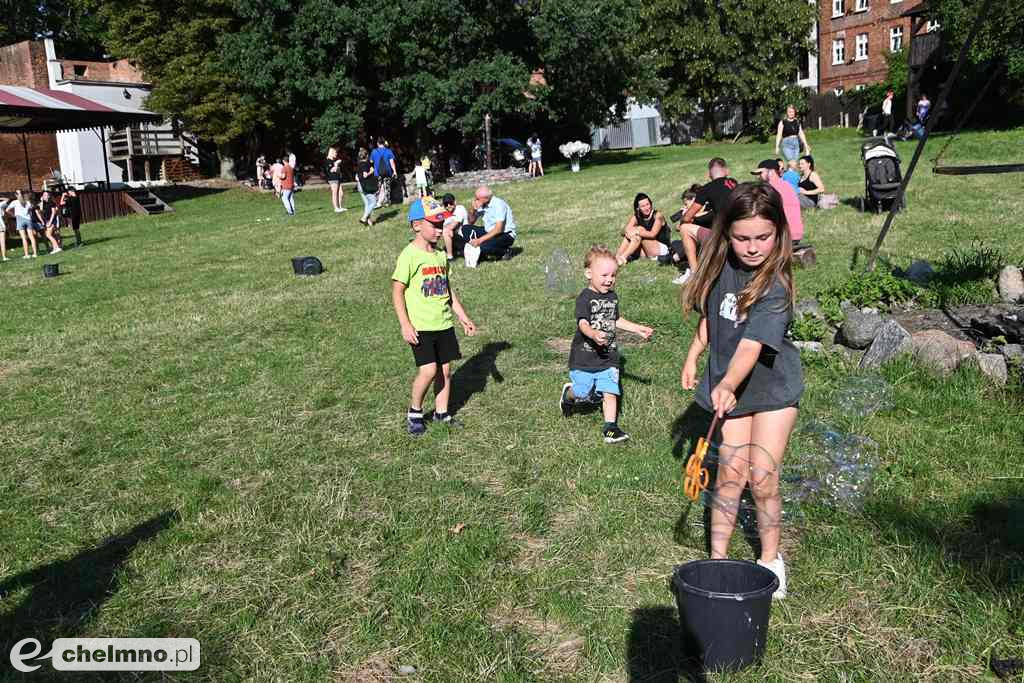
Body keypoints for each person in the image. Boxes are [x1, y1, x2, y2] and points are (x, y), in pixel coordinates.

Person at [680, 182, 803, 599]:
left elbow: (751, 345)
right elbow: (712, 319)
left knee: (763, 477)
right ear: (726, 233)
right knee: (730, 475)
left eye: (763, 237)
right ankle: (717, 563)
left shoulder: (775, 285)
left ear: (779, 233)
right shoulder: (717, 263)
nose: (752, 247)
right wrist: (695, 355)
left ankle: (770, 559)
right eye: (742, 237)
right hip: (727, 388)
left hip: (771, 390)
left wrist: (728, 382)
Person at [391, 196, 477, 436]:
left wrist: (462, 316)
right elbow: (397, 292)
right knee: (428, 371)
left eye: (442, 225)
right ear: (416, 225)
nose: (440, 230)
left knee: (445, 371)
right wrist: (405, 324)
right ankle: (415, 413)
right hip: (421, 326)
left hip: (443, 323)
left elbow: (447, 289)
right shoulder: (409, 256)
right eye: (435, 225)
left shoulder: (440, 256)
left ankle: (442, 413)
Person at [559, 245, 654, 444]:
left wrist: (637, 328)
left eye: (613, 275)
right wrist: (593, 334)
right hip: (584, 357)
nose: (609, 279)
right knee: (583, 392)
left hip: (608, 357)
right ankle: (569, 394)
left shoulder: (612, 297)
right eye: (604, 275)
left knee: (610, 390)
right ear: (588, 273)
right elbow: (582, 323)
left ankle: (610, 427)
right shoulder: (584, 298)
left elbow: (615, 320)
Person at [674, 158, 738, 284]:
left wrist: (682, 221)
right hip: (741, 233)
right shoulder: (736, 185)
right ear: (727, 171)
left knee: (685, 228)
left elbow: (688, 216)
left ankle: (694, 273)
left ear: (709, 174)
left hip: (724, 239)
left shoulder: (707, 189)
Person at [457, 185, 517, 267]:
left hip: (505, 234)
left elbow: (499, 229)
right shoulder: (483, 204)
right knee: (465, 228)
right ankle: (474, 248)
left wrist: (480, 240)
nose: (475, 200)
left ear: (485, 198)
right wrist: (473, 210)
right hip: (488, 231)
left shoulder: (499, 204)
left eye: (477, 198)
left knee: (483, 246)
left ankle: (505, 251)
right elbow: (471, 221)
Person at [750, 160, 804, 244]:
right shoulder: (786, 185)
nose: (758, 177)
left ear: (771, 172)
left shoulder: (769, 188)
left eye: (761, 173)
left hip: (783, 236)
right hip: (796, 234)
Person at [615, 192, 670, 265]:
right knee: (632, 232)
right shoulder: (637, 216)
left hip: (661, 249)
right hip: (647, 249)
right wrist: (629, 232)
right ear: (638, 208)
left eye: (648, 204)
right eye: (643, 206)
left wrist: (637, 231)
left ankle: (623, 257)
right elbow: (625, 231)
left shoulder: (657, 216)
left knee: (639, 229)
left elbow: (652, 234)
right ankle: (617, 257)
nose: (647, 208)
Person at [441, 193, 470, 261]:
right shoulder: (444, 212)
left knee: (446, 231)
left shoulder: (460, 209)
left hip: (465, 239)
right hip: (455, 238)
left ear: (455, 202)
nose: (448, 206)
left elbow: (453, 225)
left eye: (450, 203)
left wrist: (445, 228)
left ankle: (450, 257)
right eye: (446, 204)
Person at [11, 190, 38, 258]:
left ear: (16, 195)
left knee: (24, 238)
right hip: (28, 219)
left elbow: (7, 210)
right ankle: (35, 253)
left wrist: (13, 215)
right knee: (31, 237)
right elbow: (31, 209)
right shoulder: (27, 201)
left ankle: (27, 254)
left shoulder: (15, 202)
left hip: (20, 219)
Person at [355, 148, 378, 226]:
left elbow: (356, 177)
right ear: (367, 156)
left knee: (367, 204)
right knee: (374, 202)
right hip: (365, 186)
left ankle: (369, 221)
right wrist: (371, 171)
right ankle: (364, 218)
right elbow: (365, 175)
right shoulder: (365, 164)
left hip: (359, 185)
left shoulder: (358, 164)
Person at [372, 140, 397, 207]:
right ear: (384, 143)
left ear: (377, 143)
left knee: (378, 188)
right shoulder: (388, 151)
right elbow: (392, 162)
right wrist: (394, 171)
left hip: (377, 173)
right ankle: (387, 202)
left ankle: (375, 202)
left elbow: (371, 161)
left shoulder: (374, 151)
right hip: (387, 172)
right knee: (387, 187)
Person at [324, 147, 346, 213]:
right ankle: (336, 208)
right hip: (332, 179)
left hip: (337, 178)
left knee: (341, 193)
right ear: (330, 153)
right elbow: (332, 170)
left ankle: (339, 207)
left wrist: (336, 166)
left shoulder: (333, 161)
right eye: (334, 152)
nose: (336, 154)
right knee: (335, 193)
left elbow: (338, 170)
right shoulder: (328, 161)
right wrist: (336, 164)